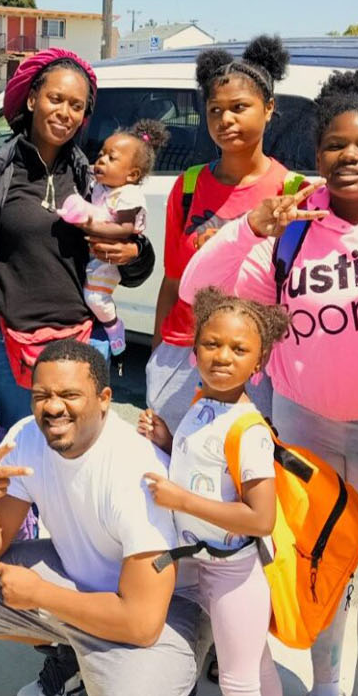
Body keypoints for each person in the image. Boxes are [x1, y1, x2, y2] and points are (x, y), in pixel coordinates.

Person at [178, 70, 358, 696]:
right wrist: (250, 227)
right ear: (318, 154)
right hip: (305, 426)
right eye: (336, 144)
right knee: (318, 571)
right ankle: (326, 687)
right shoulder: (295, 229)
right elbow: (194, 289)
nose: (349, 157)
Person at [0, 340, 205, 696]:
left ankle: (115, 662)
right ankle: (77, 652)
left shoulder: (137, 473)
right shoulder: (26, 437)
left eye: (69, 394)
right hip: (81, 579)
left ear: (104, 399)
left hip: (166, 608)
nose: (53, 407)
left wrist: (43, 594)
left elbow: (142, 622)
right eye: (41, 395)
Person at [0, 47, 156, 440]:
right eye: (55, 99)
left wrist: (135, 255)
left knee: (79, 462)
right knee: (19, 458)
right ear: (31, 99)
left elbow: (132, 254)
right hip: (10, 346)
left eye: (76, 105)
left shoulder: (93, 178)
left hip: (85, 343)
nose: (65, 113)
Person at [138, 288, 289, 696]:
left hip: (233, 572)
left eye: (239, 349)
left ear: (259, 362)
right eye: (212, 343)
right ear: (194, 350)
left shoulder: (250, 429)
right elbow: (205, 469)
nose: (222, 356)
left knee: (239, 682)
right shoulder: (202, 401)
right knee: (254, 662)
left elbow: (261, 518)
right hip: (197, 563)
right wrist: (169, 441)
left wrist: (180, 501)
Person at [147, 36, 295, 435]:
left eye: (239, 107)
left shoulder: (290, 190)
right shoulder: (190, 185)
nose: (226, 119)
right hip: (183, 350)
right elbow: (173, 278)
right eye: (215, 110)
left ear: (268, 109)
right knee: (171, 459)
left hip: (254, 362)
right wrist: (162, 348)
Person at [56, 119, 170, 355]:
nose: (100, 161)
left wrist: (90, 226)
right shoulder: (100, 185)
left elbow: (125, 228)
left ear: (132, 175)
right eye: (100, 154)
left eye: (111, 158)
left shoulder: (128, 195)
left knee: (95, 297)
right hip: (93, 257)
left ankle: (113, 325)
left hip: (106, 262)